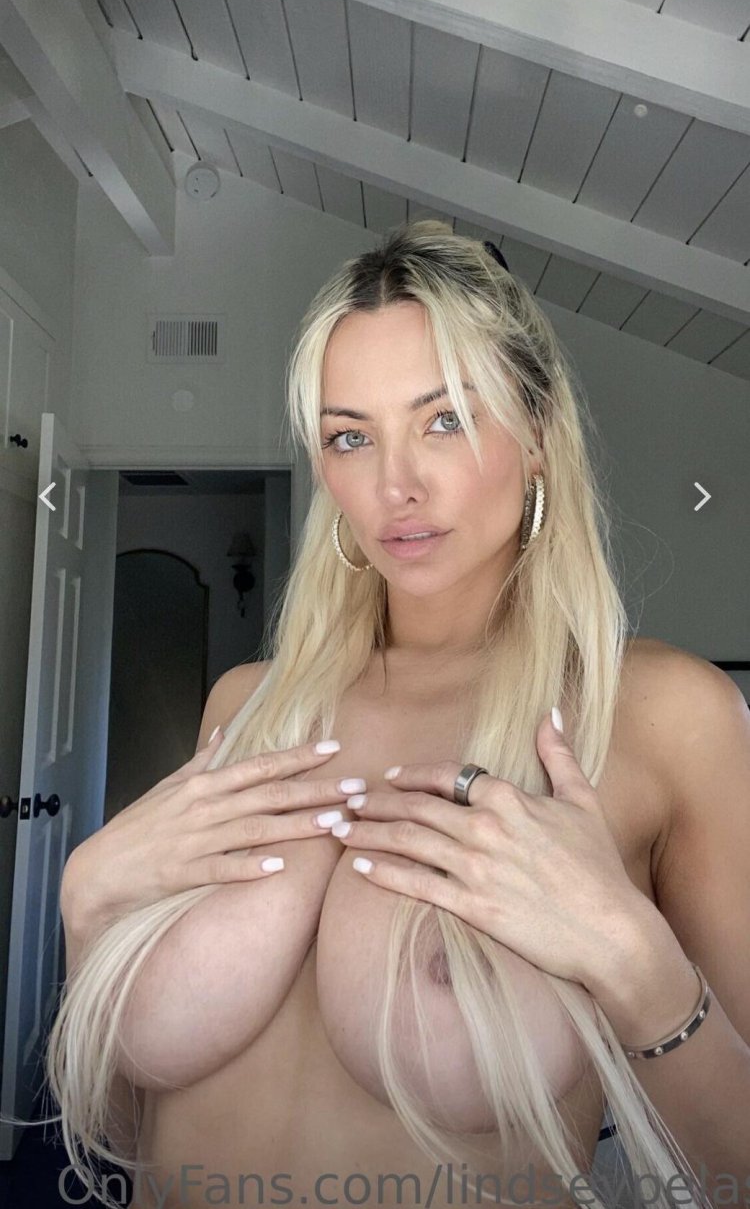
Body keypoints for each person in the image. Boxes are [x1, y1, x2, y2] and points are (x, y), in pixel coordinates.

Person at [18, 222, 741, 1209]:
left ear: (537, 433)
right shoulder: (249, 706)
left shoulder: (658, 717)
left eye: (446, 419)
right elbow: (121, 1129)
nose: (395, 484)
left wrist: (638, 965)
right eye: (351, 436)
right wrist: (87, 908)